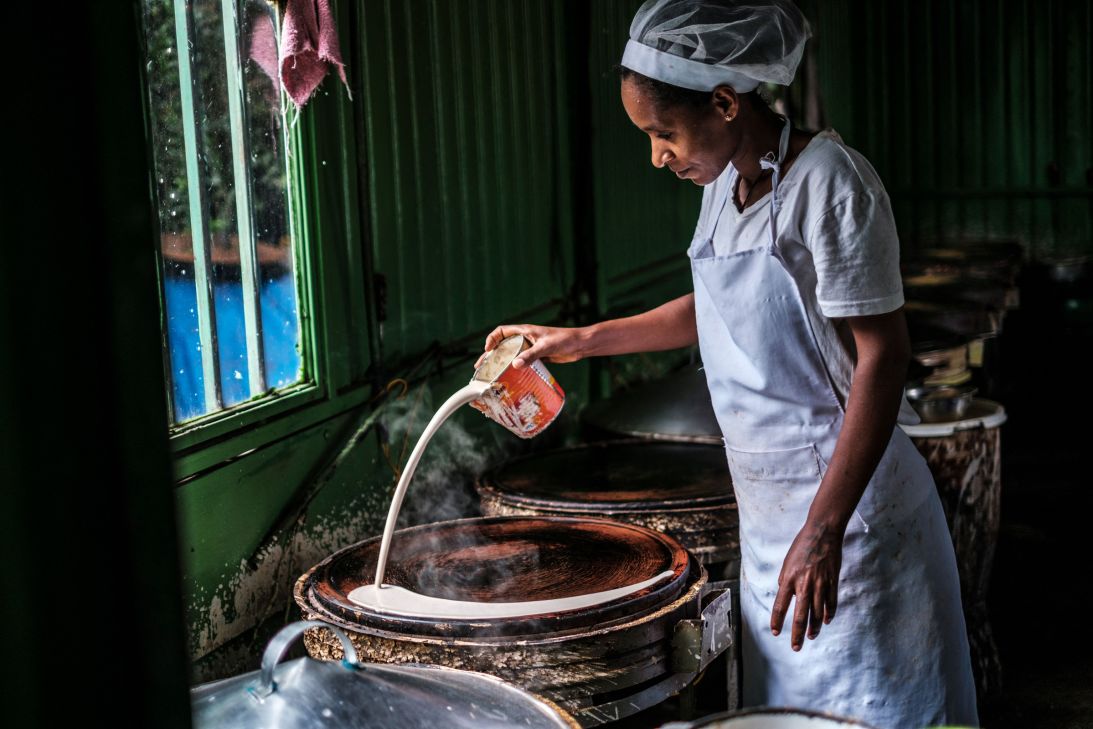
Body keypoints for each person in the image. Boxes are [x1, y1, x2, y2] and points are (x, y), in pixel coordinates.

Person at [479, 1, 979, 727]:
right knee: (782, 710)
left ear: (723, 102)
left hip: (851, 516)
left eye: (663, 133)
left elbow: (883, 356)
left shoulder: (830, 184)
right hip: (770, 519)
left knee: (870, 709)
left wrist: (822, 530)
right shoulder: (719, 185)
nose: (657, 155)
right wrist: (578, 340)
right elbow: (711, 306)